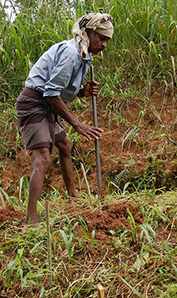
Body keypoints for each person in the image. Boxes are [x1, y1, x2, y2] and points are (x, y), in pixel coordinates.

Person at [15, 12, 114, 225]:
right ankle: (31, 220)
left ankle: (73, 195)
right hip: (34, 104)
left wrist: (82, 91)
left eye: (107, 40)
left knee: (65, 145)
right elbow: (50, 93)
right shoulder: (72, 53)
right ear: (88, 33)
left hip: (46, 103)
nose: (104, 45)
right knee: (43, 157)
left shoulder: (83, 54)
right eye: (102, 38)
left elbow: (59, 89)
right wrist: (77, 124)